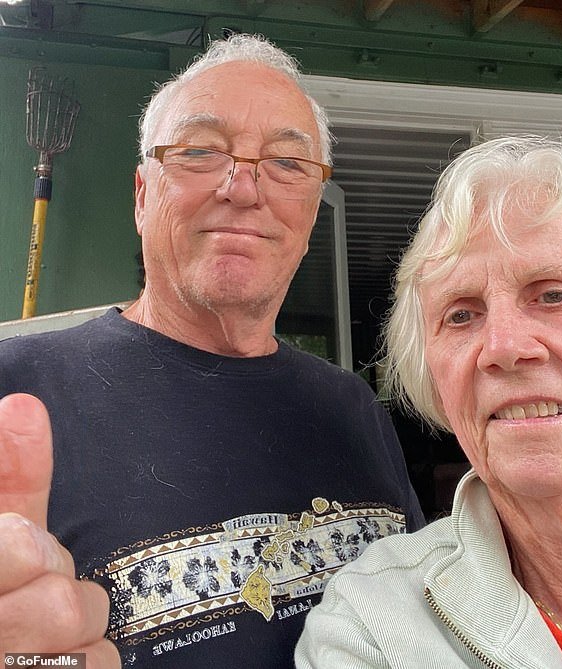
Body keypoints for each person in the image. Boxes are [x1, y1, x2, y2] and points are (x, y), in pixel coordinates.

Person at [0, 34, 424, 669]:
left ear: (311, 213)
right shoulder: (17, 396)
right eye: (199, 152)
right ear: (142, 196)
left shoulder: (353, 408)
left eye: (287, 163)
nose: (243, 188)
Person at [296, 135, 562, 669]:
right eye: (461, 314)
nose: (502, 347)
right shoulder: (373, 623)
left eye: (553, 294)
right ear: (434, 379)